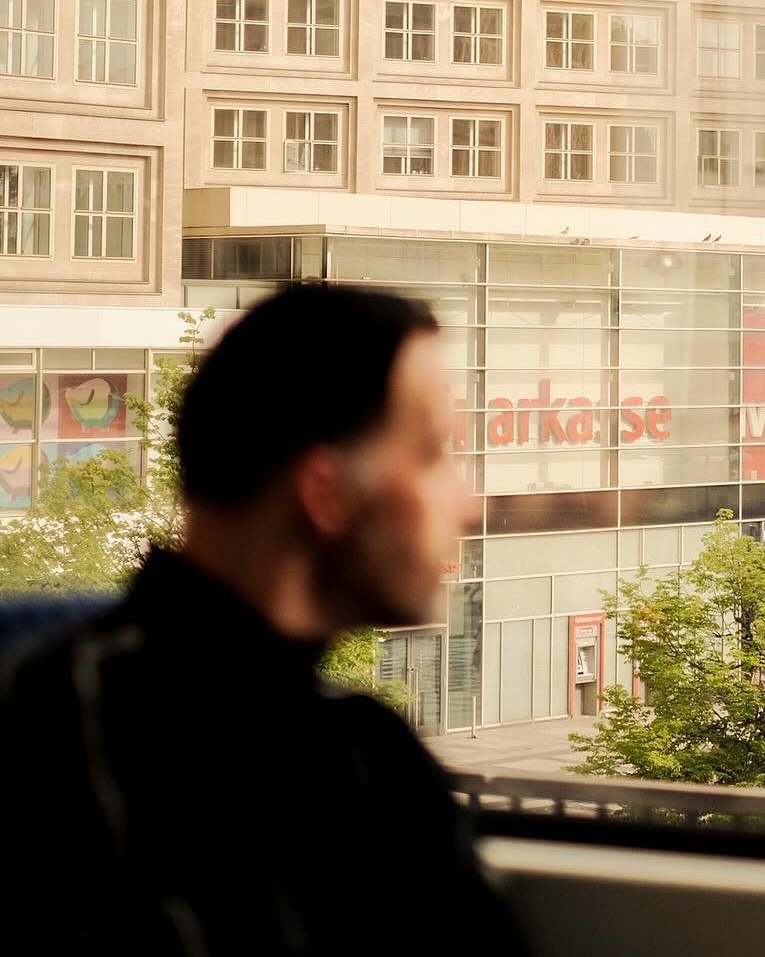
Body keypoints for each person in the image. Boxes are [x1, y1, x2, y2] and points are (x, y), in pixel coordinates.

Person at [0, 284, 524, 955]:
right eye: (431, 453)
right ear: (325, 495)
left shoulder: (375, 751)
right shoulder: (57, 746)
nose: (467, 502)